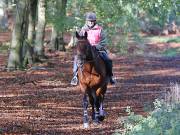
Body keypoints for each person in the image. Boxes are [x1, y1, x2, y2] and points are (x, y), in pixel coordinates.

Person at [70, 12, 116, 85]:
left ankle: (110, 76)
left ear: (95, 21)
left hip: (98, 50)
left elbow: (103, 41)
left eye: (92, 21)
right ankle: (75, 76)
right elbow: (79, 40)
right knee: (76, 59)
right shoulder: (83, 30)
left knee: (108, 60)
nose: (91, 22)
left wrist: (96, 46)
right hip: (86, 51)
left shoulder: (100, 29)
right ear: (87, 21)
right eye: (89, 21)